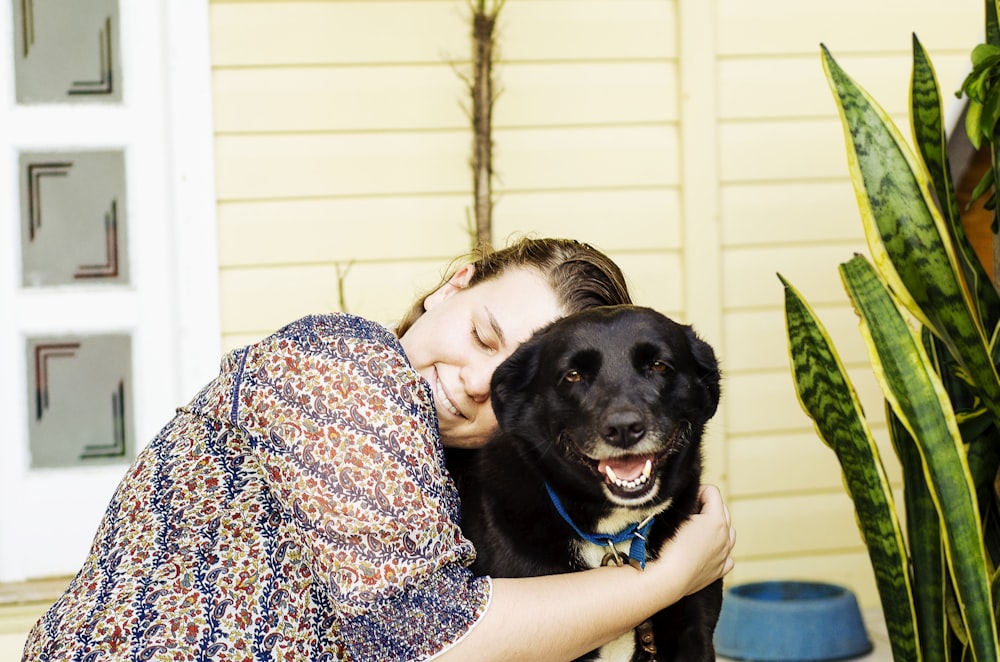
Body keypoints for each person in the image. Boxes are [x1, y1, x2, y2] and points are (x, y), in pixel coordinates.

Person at [22, 237, 735, 661]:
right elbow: (431, 639)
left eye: (514, 376)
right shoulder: (341, 363)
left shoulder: (450, 483)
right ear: (451, 289)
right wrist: (670, 577)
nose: (477, 381)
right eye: (483, 335)